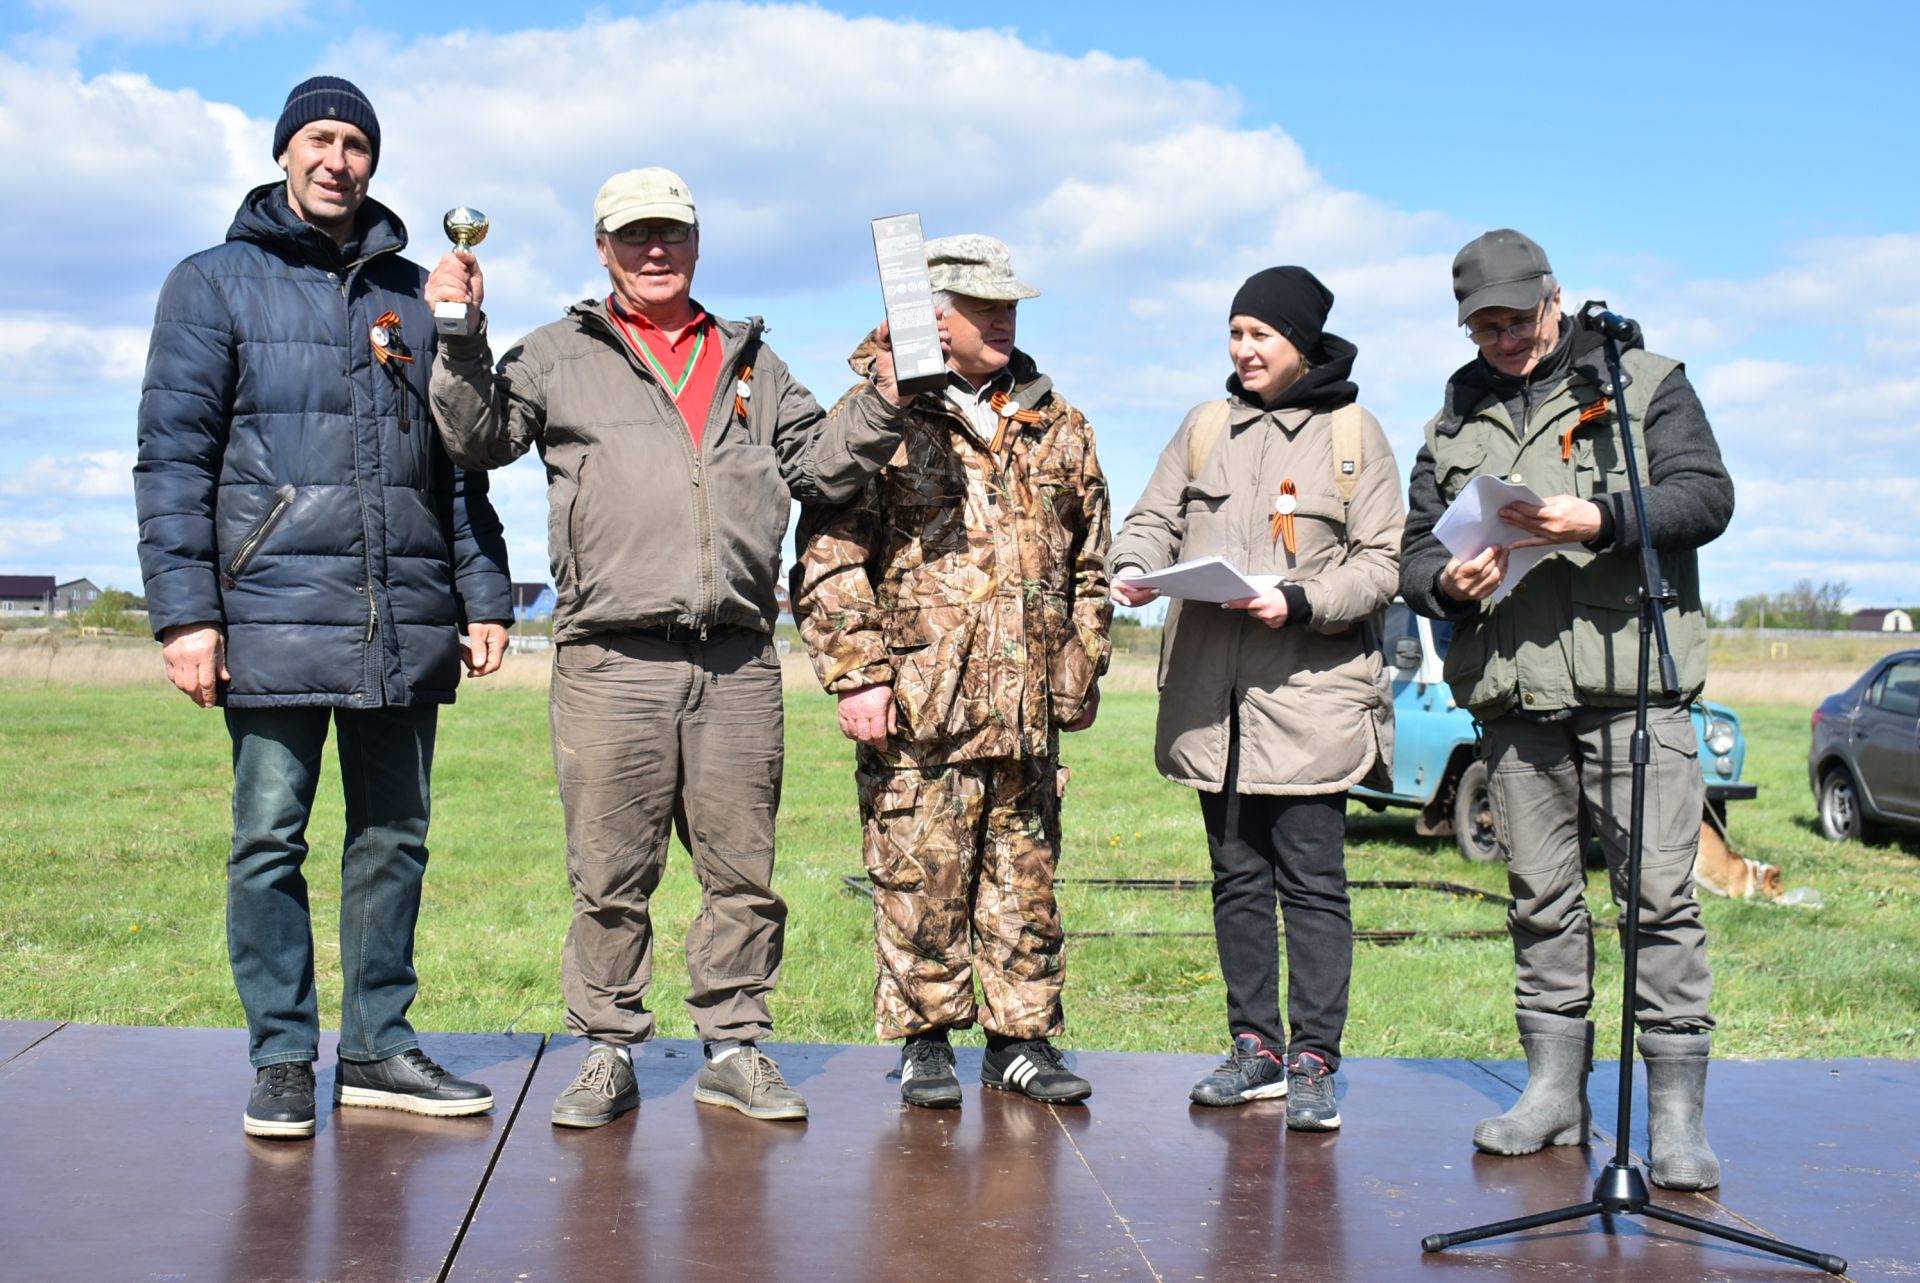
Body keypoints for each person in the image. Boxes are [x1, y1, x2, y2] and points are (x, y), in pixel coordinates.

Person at [426, 167, 911, 1127]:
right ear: (602, 248)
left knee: (742, 871)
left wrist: (882, 398)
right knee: (609, 875)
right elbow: (478, 438)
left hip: (736, 658)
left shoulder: (751, 362)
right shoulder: (558, 353)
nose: (657, 251)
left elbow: (822, 467)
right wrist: (457, 335)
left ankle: (734, 1046)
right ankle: (606, 1049)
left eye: (673, 234)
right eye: (636, 235)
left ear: (697, 243)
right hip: (610, 662)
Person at [134, 76, 513, 1140]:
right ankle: (284, 1056)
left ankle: (382, 1046)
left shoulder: (408, 295)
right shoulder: (210, 282)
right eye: (320, 138)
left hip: (400, 611)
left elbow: (457, 464)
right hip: (266, 610)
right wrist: (185, 615)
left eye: (354, 142)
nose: (337, 158)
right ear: (285, 152)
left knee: (395, 835)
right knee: (268, 838)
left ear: (372, 162)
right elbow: (172, 456)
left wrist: (484, 590)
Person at [1399, 229, 1732, 1189]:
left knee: (1659, 903)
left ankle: (1675, 1119)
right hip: (1513, 699)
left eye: (1517, 317)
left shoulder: (1644, 380)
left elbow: (1707, 497)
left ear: (1556, 297)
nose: (1502, 338)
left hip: (1634, 691)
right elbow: (1416, 552)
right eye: (1484, 324)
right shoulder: (1450, 420)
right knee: (1539, 899)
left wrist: (1604, 519)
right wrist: (1449, 586)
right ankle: (1552, 1094)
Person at [790, 234, 1112, 1110]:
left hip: (1025, 708)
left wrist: (1078, 663)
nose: (1004, 319)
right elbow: (826, 553)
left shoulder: (1060, 425)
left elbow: (1090, 560)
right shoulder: (877, 418)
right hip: (920, 706)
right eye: (984, 307)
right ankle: (925, 1040)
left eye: (1011, 305)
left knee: (1025, 881)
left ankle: (1022, 1038)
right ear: (934, 316)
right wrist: (858, 672)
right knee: (920, 877)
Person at [1109, 266, 1400, 1131]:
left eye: (1259, 335)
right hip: (1214, 701)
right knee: (1236, 879)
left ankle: (1314, 1059)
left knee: (1312, 884)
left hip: (1311, 700)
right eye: (1234, 333)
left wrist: (1299, 600)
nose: (1242, 351)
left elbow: (1382, 563)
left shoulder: (1354, 435)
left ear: (1300, 342)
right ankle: (1256, 1051)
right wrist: (1133, 566)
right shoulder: (1204, 428)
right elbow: (1153, 517)